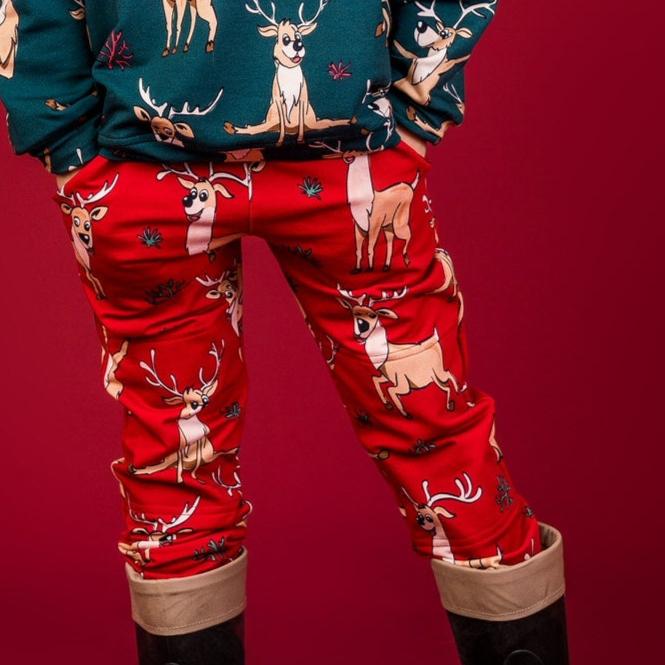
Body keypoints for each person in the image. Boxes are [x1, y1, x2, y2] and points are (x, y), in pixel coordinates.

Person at [0, 2, 570, 664]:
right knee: (181, 451)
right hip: (140, 176)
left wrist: (419, 109)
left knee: (431, 427)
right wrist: (66, 144)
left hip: (350, 161)